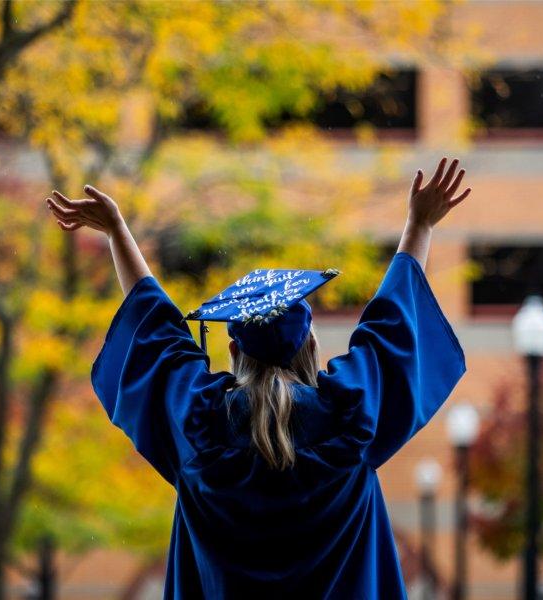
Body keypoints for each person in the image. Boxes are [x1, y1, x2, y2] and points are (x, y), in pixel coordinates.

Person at [45, 156, 471, 599]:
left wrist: (118, 232)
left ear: (233, 351)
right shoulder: (351, 418)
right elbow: (393, 329)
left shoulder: (199, 426)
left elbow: (155, 332)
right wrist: (419, 226)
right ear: (310, 347)